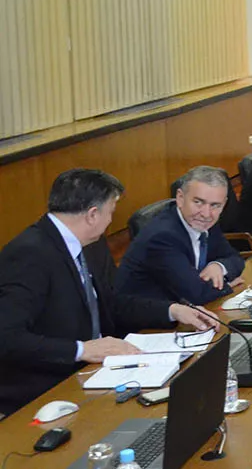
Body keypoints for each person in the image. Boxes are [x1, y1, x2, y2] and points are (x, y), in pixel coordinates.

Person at [0, 169, 217, 417]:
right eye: (111, 212)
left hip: (101, 370)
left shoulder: (91, 244)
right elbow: (7, 338)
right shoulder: (28, 255)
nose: (111, 221)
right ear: (93, 214)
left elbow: (113, 303)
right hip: (45, 388)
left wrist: (173, 310)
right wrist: (82, 349)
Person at [116, 166, 247, 306]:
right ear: (180, 198)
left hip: (186, 307)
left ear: (224, 204)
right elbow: (196, 294)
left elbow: (235, 259)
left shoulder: (206, 221)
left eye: (215, 205)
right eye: (198, 202)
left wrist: (218, 266)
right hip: (149, 315)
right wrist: (227, 285)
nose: (206, 213)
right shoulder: (162, 237)